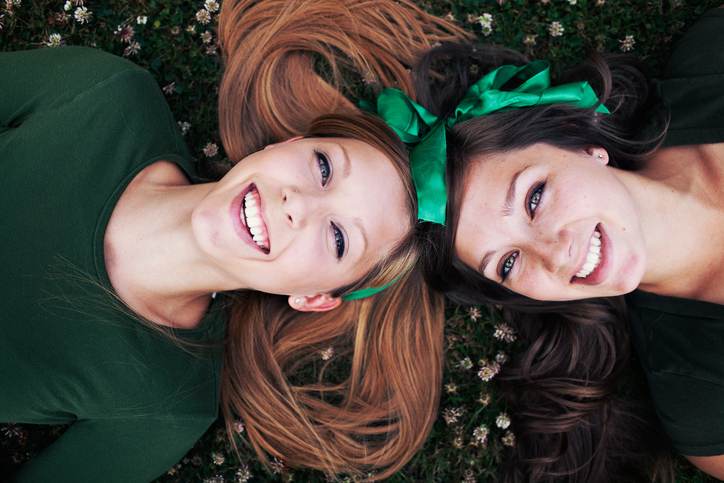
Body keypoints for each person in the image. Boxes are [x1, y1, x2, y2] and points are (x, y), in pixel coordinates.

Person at [0, 1, 467, 481]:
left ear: (312, 299)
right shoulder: (107, 96)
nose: (298, 204)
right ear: (288, 144)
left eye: (338, 238)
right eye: (323, 168)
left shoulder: (168, 406)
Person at [370, 6, 724, 482]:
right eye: (509, 263)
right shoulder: (701, 400)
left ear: (583, 143)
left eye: (535, 198)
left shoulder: (713, 60)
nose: (554, 254)